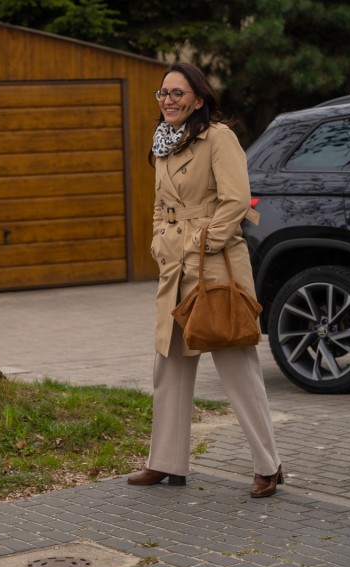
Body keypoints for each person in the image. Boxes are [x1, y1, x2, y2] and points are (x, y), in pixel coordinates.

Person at [128, 63, 283, 498]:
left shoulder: (219, 137)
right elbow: (160, 206)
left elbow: (236, 201)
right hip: (174, 267)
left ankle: (268, 465)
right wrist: (161, 242)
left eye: (178, 93)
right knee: (169, 366)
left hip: (214, 266)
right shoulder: (162, 142)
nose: (168, 100)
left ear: (198, 98)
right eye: (163, 93)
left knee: (237, 368)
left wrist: (203, 243)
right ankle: (166, 463)